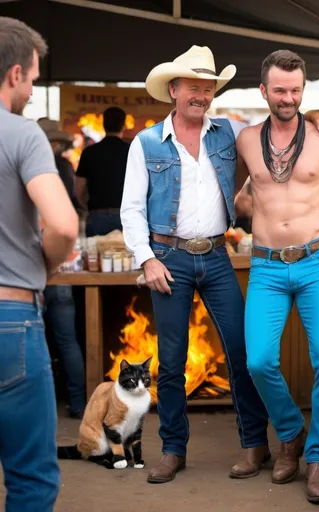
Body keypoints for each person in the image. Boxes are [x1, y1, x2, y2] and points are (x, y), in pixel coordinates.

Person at [120, 45, 319, 484]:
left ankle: (255, 444)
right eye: (193, 88)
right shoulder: (145, 143)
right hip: (168, 258)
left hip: (218, 256)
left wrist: (316, 111)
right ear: (173, 90)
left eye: (208, 88)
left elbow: (281, 116)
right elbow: (131, 210)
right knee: (172, 362)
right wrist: (146, 260)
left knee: (244, 355)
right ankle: (173, 449)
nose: (201, 95)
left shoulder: (227, 133)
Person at [234, 50, 319, 504]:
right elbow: (235, 192)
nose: (288, 98)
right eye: (279, 90)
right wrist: (247, 207)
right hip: (267, 266)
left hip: (315, 263)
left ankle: (318, 459)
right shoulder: (247, 140)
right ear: (263, 91)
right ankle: (290, 433)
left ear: (303, 90)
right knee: (258, 361)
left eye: (296, 90)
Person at [0, 17, 78, 511]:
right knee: (30, 479)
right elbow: (64, 225)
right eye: (31, 78)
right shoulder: (23, 135)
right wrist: (43, 270)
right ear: (13, 74)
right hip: (10, 321)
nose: (30, 89)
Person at [37, 118, 86, 419]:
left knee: (38, 339)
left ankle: (43, 406)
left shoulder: (32, 167)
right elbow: (77, 206)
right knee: (68, 339)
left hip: (37, 265)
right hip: (66, 262)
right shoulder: (66, 168)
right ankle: (79, 402)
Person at [76, 106, 129, 236]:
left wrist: (87, 207)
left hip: (97, 217)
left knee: (94, 256)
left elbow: (78, 191)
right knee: (127, 256)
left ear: (103, 125)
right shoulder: (132, 151)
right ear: (123, 126)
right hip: (126, 217)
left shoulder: (89, 152)